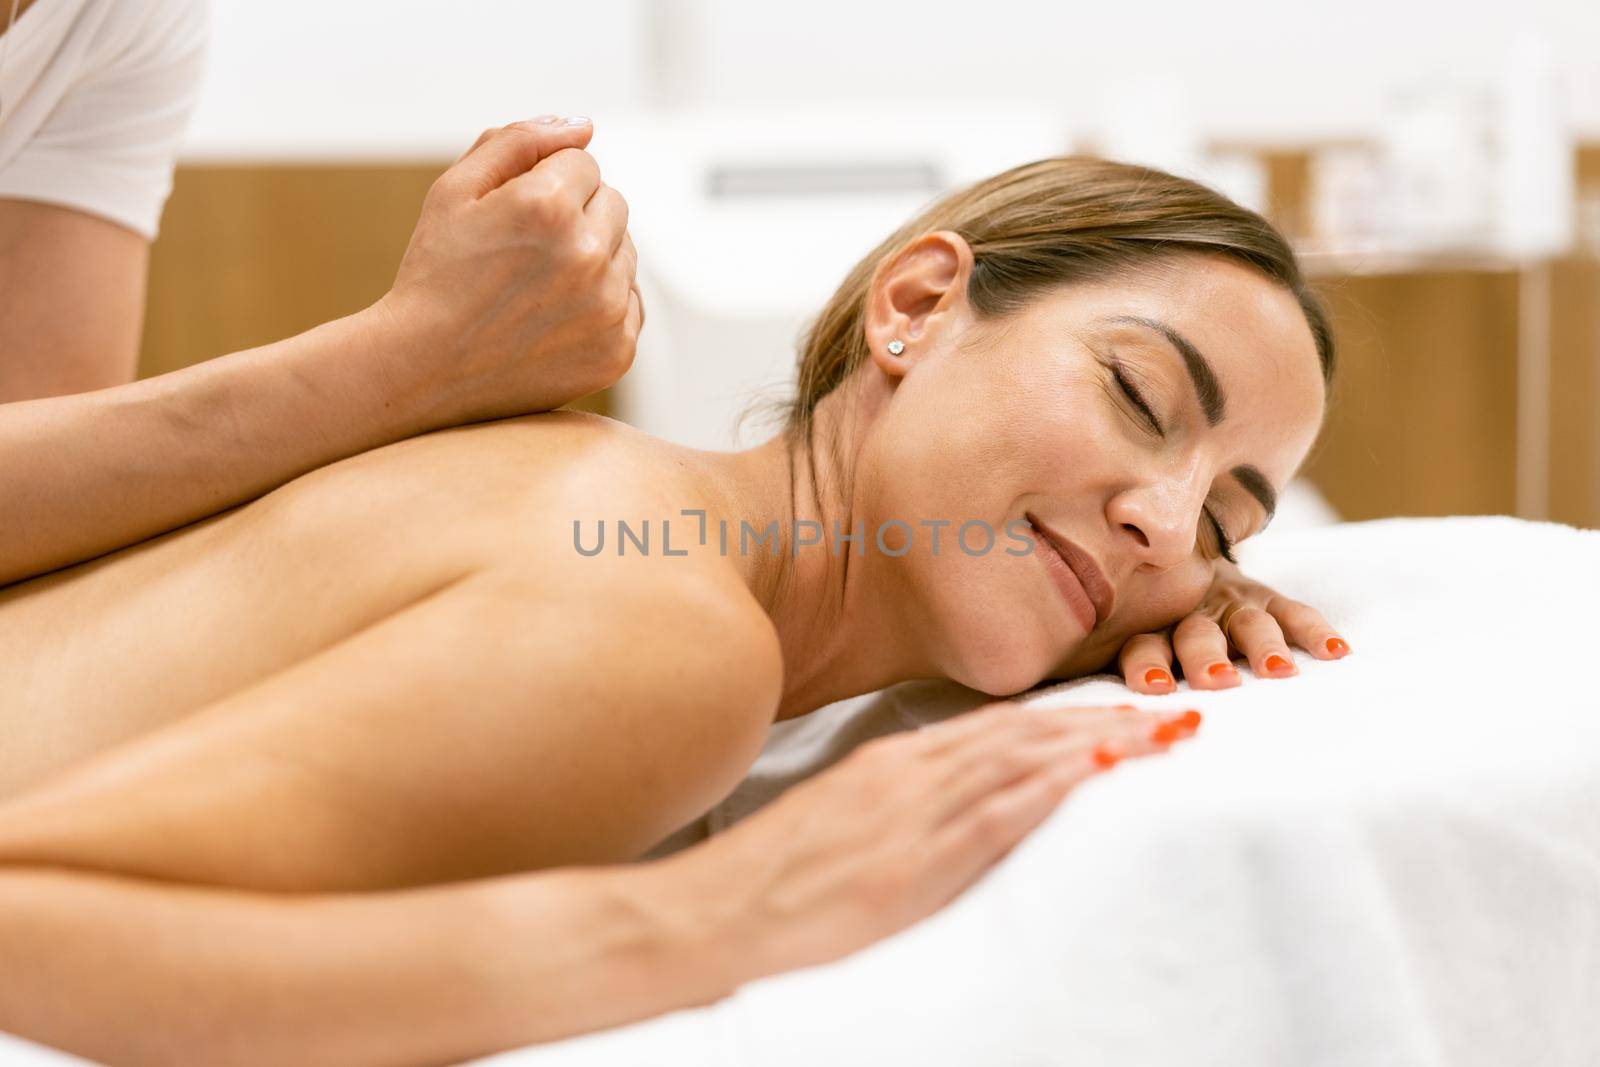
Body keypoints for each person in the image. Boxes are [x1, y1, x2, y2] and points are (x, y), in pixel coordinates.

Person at [0, 155, 1346, 1064]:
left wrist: (1185, 603)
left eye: (1226, 519)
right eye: (1138, 398)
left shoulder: (597, 494)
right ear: (921, 308)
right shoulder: (670, 637)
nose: (1166, 527)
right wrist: (713, 923)